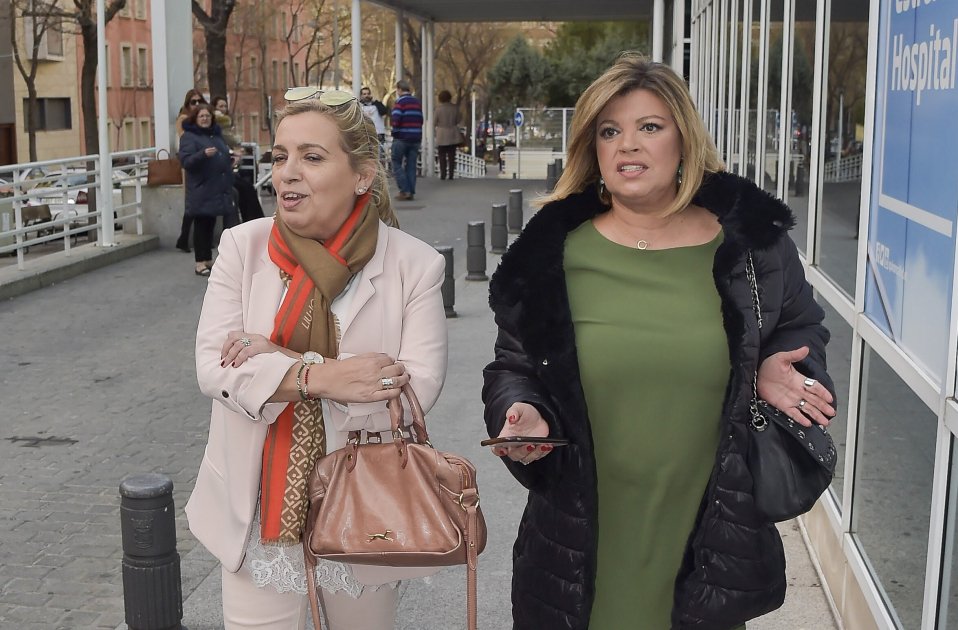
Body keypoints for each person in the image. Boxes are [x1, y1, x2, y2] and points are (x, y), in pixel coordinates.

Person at [482, 53, 837, 629]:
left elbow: (800, 328)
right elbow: (513, 368)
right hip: (581, 541)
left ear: (684, 139)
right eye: (609, 131)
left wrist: (774, 363)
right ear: (592, 149)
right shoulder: (550, 256)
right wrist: (521, 411)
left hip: (706, 538)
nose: (628, 144)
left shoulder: (752, 248)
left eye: (649, 126)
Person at [185, 89, 448, 630]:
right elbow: (215, 366)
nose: (287, 173)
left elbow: (413, 389)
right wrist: (321, 376)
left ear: (362, 176)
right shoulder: (242, 247)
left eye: (312, 157)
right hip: (257, 508)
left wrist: (277, 359)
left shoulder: (415, 265)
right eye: (280, 156)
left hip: (364, 504)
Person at [177, 103, 238, 276]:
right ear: (195, 119)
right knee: (201, 225)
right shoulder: (189, 137)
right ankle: (199, 262)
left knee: (210, 224)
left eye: (208, 116)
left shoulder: (215, 135)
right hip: (201, 188)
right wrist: (202, 154)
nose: (205, 119)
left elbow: (221, 155)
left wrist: (231, 159)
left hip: (216, 187)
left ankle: (208, 259)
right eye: (202, 116)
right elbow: (186, 162)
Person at [212, 94, 265, 224]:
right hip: (218, 175)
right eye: (220, 106)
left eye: (225, 106)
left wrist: (232, 156)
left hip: (225, 171)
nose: (223, 108)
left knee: (247, 187)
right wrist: (232, 157)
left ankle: (256, 222)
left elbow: (224, 150)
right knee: (242, 189)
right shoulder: (218, 128)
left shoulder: (221, 129)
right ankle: (253, 222)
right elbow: (228, 144)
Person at [175, 89, 207, 253]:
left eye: (199, 101)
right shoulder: (184, 119)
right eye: (193, 102)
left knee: (200, 202)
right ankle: (184, 238)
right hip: (190, 162)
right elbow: (185, 139)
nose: (196, 104)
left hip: (203, 161)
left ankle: (191, 239)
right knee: (191, 202)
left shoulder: (202, 117)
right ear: (187, 104)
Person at [390, 79, 423, 201]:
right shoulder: (417, 102)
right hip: (415, 138)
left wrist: (395, 132)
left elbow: (396, 119)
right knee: (411, 165)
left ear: (399, 89)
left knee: (396, 162)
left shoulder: (400, 102)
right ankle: (411, 191)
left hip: (402, 138)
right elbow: (420, 119)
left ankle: (405, 190)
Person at [434, 90, 461, 181]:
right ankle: (451, 174)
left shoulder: (438, 109)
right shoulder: (454, 108)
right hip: (453, 133)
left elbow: (434, 122)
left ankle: (443, 174)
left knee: (441, 155)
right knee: (451, 155)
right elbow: (458, 120)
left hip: (441, 134)